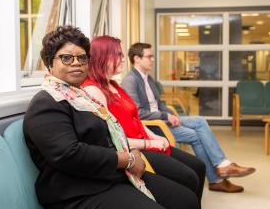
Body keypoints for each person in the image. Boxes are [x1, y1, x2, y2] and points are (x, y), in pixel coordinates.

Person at [23, 26, 198, 209]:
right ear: (50, 63)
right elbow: (70, 155)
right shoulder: (47, 102)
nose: (76, 63)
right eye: (66, 58)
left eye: (82, 57)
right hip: (76, 191)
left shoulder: (81, 97)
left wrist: (132, 152)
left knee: (186, 199)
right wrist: (127, 159)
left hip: (108, 175)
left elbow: (108, 133)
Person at [81, 35, 205, 205]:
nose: (124, 59)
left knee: (198, 167)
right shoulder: (93, 90)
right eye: (118, 54)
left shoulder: (114, 85)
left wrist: (154, 137)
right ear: (103, 56)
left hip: (143, 141)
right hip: (135, 149)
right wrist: (148, 144)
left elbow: (136, 118)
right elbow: (113, 138)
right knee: (190, 179)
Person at [122, 42, 256, 193]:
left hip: (163, 119)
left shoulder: (148, 78)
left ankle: (223, 165)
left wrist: (171, 115)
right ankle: (216, 179)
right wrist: (166, 116)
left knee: (199, 121)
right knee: (195, 135)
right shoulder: (130, 81)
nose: (153, 59)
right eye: (149, 56)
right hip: (154, 125)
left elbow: (159, 104)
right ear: (136, 59)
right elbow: (138, 113)